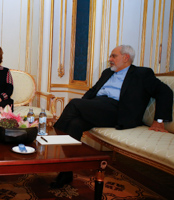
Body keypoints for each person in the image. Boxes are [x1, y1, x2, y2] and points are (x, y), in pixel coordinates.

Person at [51, 45, 173, 188]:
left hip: (119, 111)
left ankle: (52, 143)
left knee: (74, 104)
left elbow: (165, 91)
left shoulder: (142, 73)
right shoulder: (107, 73)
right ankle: (66, 173)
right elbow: (93, 91)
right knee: (75, 124)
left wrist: (159, 120)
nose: (110, 59)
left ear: (126, 57)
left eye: (113, 56)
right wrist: (84, 106)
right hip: (99, 107)